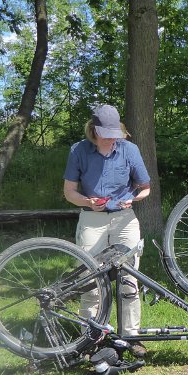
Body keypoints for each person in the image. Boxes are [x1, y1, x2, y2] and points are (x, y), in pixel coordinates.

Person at [63, 104, 151, 357]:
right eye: (106, 133)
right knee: (90, 280)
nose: (110, 138)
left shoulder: (129, 149)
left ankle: (131, 337)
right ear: (94, 130)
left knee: (129, 278)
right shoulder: (79, 150)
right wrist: (87, 202)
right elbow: (69, 192)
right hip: (92, 218)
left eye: (114, 133)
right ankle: (89, 338)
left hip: (124, 219)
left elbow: (145, 187)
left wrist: (133, 199)